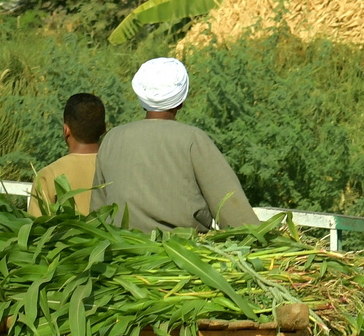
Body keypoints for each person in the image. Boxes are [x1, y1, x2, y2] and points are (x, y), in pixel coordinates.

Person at [88, 57, 258, 233]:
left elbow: (97, 216)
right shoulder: (192, 140)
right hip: (185, 255)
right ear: (181, 101)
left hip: (122, 252)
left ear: (142, 99)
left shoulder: (112, 139)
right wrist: (262, 240)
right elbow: (235, 215)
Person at [27, 93, 105, 217]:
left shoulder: (48, 176)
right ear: (104, 129)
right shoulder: (118, 170)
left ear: (66, 130)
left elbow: (37, 229)